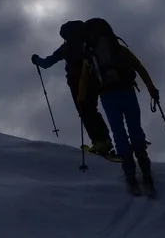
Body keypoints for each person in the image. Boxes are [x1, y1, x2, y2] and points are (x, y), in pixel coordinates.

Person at [75, 17, 160, 194]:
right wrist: (151, 89)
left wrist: (81, 100)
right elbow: (139, 67)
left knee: (118, 132)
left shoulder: (90, 57)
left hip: (107, 97)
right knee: (135, 128)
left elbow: (84, 81)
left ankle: (129, 172)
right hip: (127, 92)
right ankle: (145, 169)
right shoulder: (118, 49)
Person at [32, 20, 115, 158]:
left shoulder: (67, 47)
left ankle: (99, 142)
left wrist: (36, 60)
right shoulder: (88, 44)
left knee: (84, 110)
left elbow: (47, 63)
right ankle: (105, 140)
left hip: (76, 81)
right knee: (92, 110)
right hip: (94, 80)